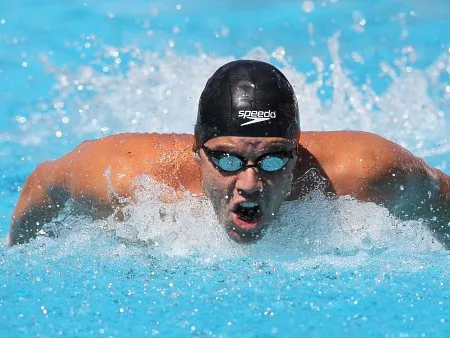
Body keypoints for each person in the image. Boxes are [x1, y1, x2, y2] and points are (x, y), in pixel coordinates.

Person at [9, 60, 450, 246]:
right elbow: (41, 186)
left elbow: (440, 193)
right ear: (197, 149)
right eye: (227, 159)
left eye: (275, 158)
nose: (250, 184)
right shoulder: (123, 178)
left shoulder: (364, 171)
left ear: (298, 151)